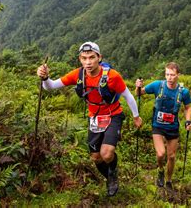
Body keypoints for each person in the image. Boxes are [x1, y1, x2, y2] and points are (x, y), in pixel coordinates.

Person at [37, 41, 142, 196]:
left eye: (92, 57)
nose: (88, 62)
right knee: (96, 157)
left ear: (99, 57)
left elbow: (127, 95)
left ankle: (113, 170)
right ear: (80, 59)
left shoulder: (112, 76)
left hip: (113, 115)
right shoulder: (78, 75)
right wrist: (45, 78)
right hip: (94, 118)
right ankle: (110, 177)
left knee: (106, 154)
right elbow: (51, 86)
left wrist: (136, 116)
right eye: (84, 58)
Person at [135, 62, 191, 190]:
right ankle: (160, 170)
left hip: (173, 127)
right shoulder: (157, 85)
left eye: (172, 75)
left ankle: (169, 180)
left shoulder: (183, 92)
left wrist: (188, 121)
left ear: (178, 75)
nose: (169, 78)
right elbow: (139, 93)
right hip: (158, 126)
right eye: (167, 74)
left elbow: (188, 108)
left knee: (171, 156)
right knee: (161, 154)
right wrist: (138, 86)